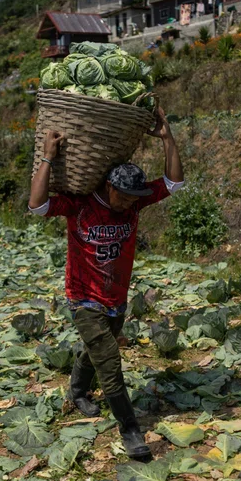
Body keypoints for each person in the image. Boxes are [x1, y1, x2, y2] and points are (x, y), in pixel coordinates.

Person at [28, 107, 185, 461]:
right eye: (125, 197)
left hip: (116, 298)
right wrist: (47, 159)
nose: (130, 204)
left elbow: (174, 183)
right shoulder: (80, 205)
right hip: (83, 298)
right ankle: (131, 430)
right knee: (110, 362)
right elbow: (36, 206)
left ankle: (78, 390)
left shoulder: (132, 204)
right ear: (109, 187)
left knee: (97, 349)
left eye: (134, 199)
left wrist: (167, 138)